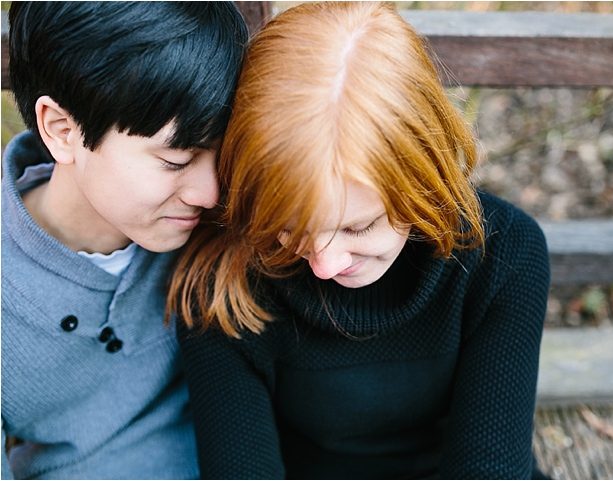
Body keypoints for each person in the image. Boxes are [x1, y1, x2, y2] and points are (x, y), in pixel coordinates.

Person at [170, 2, 550, 479]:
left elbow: (490, 469)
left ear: (423, 178)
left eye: (358, 227)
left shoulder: (504, 254)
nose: (324, 264)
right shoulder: (223, 283)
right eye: (288, 227)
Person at [1, 2, 248, 479]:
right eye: (176, 160)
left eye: (220, 154)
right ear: (63, 130)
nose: (210, 193)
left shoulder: (219, 222)